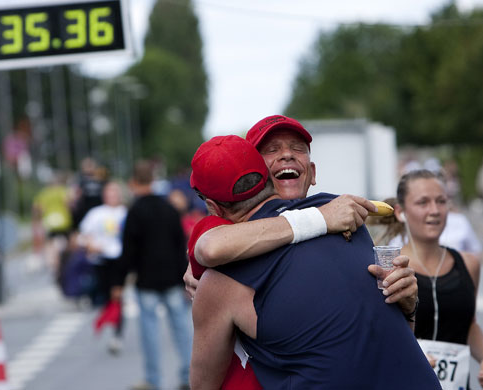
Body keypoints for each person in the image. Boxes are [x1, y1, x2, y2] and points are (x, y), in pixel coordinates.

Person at [184, 115, 419, 389]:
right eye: (271, 150)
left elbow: (387, 338)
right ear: (259, 173)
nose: (286, 155)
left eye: (297, 148)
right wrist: (320, 219)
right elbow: (209, 247)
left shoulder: (343, 215)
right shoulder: (221, 248)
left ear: (313, 172)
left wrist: (410, 305)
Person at [377, 169, 483, 388]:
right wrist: (411, 357)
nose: (434, 210)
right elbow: (377, 335)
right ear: (400, 212)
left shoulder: (469, 263)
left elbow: (469, 324)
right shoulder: (389, 268)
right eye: (423, 202)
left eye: (441, 201)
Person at [111, 160, 191, 390]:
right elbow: (180, 246)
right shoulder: (170, 209)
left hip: (146, 280)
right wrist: (185, 276)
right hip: (173, 279)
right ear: (153, 181)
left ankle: (153, 380)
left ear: (134, 182)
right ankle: (188, 376)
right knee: (182, 329)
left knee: (150, 333)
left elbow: (127, 251)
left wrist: (118, 283)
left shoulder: (134, 213)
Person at [78, 181, 127, 355]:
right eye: (109, 193)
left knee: (118, 296)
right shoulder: (96, 214)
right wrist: (89, 244)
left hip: (119, 261)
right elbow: (82, 237)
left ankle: (117, 334)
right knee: (105, 297)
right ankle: (110, 322)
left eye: (115, 193)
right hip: (100, 261)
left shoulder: (125, 213)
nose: (112, 196)